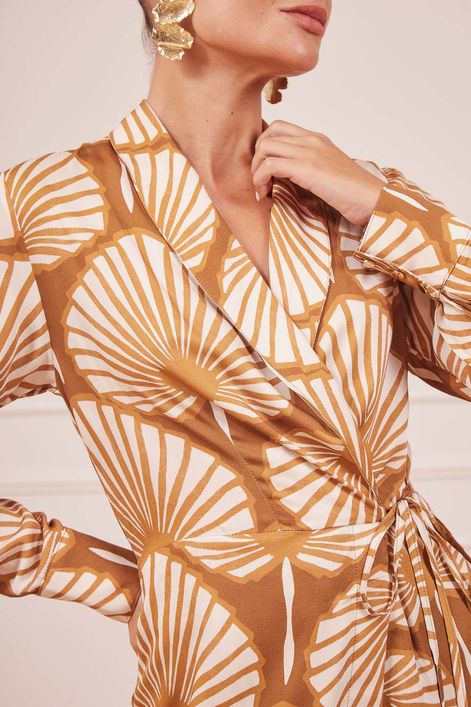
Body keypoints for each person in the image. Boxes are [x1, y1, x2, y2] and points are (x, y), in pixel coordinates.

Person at [1, 1, 470, 704]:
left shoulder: (355, 199)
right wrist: (126, 579)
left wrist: (392, 210)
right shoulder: (51, 213)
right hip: (242, 671)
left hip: (428, 644)